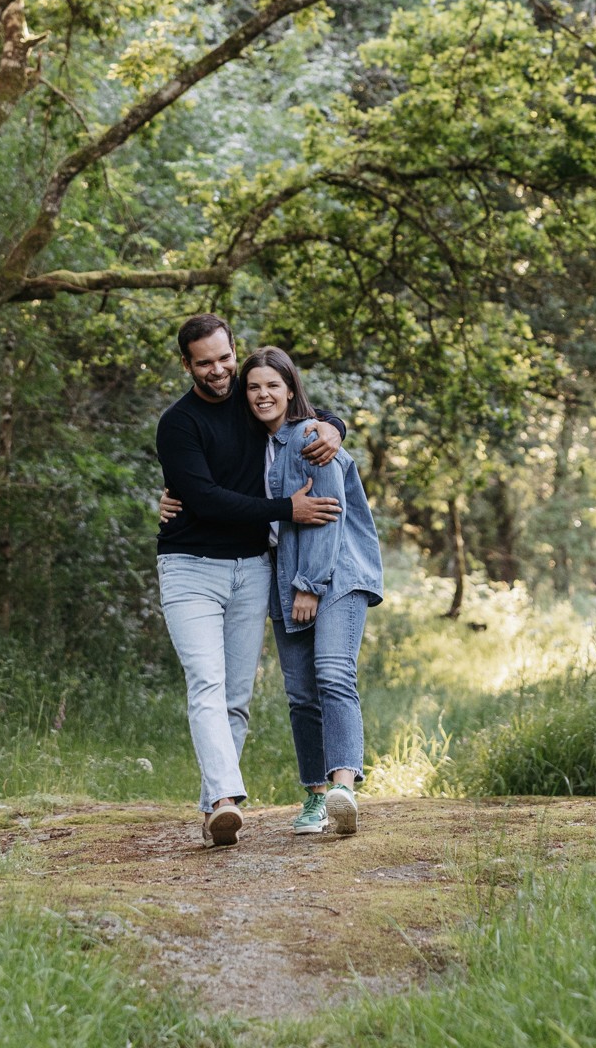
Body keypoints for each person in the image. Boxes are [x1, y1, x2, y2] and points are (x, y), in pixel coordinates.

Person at [156, 311, 346, 848]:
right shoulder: (178, 423)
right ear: (187, 365)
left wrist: (334, 426)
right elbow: (205, 499)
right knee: (207, 683)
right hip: (189, 567)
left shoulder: (248, 396)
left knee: (237, 697)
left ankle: (213, 811)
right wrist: (288, 508)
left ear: (233, 352)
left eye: (224, 358)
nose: (218, 371)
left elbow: (300, 407)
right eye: (204, 363)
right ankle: (224, 801)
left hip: (251, 569)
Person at [241, 345, 383, 836]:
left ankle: (343, 787)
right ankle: (315, 798)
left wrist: (309, 586)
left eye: (272, 386)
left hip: (334, 573)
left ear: (290, 389)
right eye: (254, 387)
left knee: (332, 673)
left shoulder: (309, 436)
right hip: (285, 576)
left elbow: (326, 512)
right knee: (300, 693)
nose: (263, 395)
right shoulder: (252, 445)